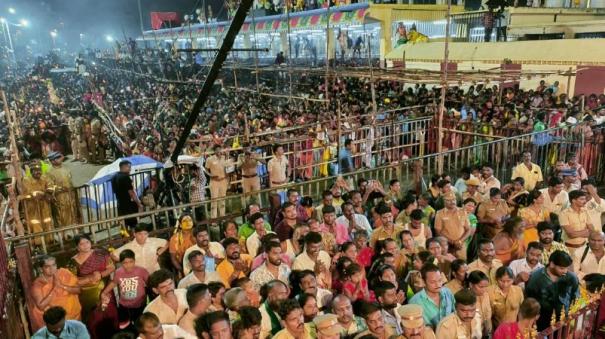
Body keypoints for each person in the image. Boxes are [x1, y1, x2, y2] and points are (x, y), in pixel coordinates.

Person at [525, 250, 579, 331]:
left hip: (564, 323)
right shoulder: (536, 278)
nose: (565, 271)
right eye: (561, 268)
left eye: (566, 268)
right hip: (541, 325)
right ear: (552, 264)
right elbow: (529, 303)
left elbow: (576, 299)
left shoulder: (571, 278)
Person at [68, 234, 115, 323]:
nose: (86, 245)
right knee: (92, 320)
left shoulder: (101, 253)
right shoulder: (72, 262)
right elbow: (73, 282)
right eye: (82, 244)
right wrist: (89, 279)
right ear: (77, 247)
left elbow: (112, 267)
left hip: (105, 290)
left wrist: (100, 275)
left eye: (87, 242)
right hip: (87, 297)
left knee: (109, 315)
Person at [100, 249, 148, 329]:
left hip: (140, 305)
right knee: (125, 326)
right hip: (124, 306)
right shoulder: (118, 272)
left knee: (140, 326)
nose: (128, 265)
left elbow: (149, 283)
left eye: (131, 262)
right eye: (125, 263)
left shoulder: (141, 271)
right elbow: (114, 282)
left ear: (134, 261)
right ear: (121, 263)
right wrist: (104, 292)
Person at [31, 256, 82, 332]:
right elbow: (41, 306)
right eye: (47, 267)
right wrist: (54, 288)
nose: (52, 269)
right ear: (41, 269)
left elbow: (78, 290)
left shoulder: (64, 273)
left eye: (54, 265)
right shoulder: (38, 285)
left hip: (75, 316)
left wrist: (62, 286)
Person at [409, 263, 455, 329]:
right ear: (424, 282)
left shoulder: (447, 292)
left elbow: (455, 313)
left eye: (440, 280)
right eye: (433, 282)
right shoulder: (415, 302)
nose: (438, 284)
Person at [21, 163, 54, 244]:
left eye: (39, 170)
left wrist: (48, 192)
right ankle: (39, 243)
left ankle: (49, 240)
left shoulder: (45, 177)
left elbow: (50, 186)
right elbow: (30, 192)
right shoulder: (26, 180)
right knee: (36, 223)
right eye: (36, 171)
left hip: (44, 205)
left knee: (47, 221)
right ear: (31, 172)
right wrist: (44, 193)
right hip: (33, 206)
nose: (38, 172)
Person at [46, 152, 79, 228]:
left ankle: (75, 230)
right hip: (60, 197)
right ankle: (65, 233)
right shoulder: (49, 171)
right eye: (57, 158)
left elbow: (70, 180)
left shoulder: (66, 167)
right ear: (52, 161)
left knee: (73, 212)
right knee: (62, 215)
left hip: (70, 195)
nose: (60, 159)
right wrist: (60, 188)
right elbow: (49, 186)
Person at [434, 192, 471, 260]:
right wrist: (452, 242)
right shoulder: (439, 213)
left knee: (461, 266)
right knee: (446, 266)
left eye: (454, 199)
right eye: (449, 200)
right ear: (444, 201)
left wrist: (459, 241)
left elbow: (468, 230)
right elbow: (438, 232)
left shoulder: (463, 211)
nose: (452, 202)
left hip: (460, 246)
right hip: (446, 246)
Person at [111, 160, 142, 229]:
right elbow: (131, 193)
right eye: (129, 167)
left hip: (120, 204)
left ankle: (125, 238)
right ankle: (133, 237)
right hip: (128, 205)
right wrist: (138, 203)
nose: (130, 169)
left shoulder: (113, 177)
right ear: (124, 167)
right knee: (133, 225)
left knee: (123, 225)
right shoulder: (125, 177)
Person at [205, 144, 232, 218]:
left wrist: (228, 181)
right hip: (214, 182)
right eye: (217, 150)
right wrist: (210, 175)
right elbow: (206, 169)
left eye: (219, 149)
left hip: (223, 181)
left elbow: (228, 170)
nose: (218, 151)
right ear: (214, 151)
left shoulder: (224, 158)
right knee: (214, 201)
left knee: (222, 200)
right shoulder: (209, 159)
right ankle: (214, 220)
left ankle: (222, 217)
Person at [466, 270, 492, 335]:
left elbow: (488, 313)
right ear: (471, 285)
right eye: (481, 287)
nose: (484, 290)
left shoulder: (486, 295)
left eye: (486, 287)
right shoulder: (465, 299)